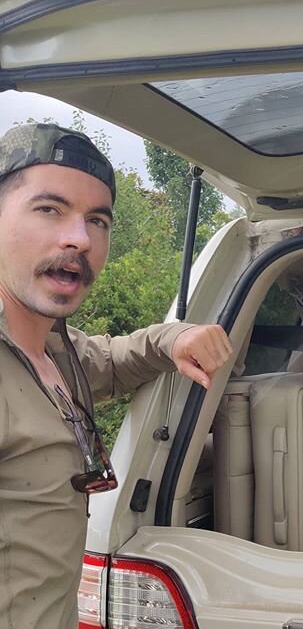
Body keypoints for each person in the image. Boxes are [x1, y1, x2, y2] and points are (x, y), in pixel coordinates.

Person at [0, 123, 233, 628]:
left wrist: (175, 339)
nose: (78, 238)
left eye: (98, 220)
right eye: (49, 209)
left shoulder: (54, 349)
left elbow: (114, 358)